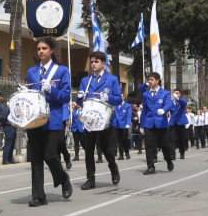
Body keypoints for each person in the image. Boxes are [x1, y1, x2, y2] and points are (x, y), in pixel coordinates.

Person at [23, 38, 73, 206]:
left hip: (53, 118)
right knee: (36, 157)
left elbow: (66, 96)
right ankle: (38, 195)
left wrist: (53, 90)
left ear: (51, 50)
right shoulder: (32, 72)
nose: (41, 51)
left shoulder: (61, 71)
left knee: (50, 155)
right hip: (36, 119)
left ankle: (63, 178)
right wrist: (25, 92)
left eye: (44, 48)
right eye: (38, 48)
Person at [76, 51, 121, 190]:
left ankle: (113, 168)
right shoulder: (86, 80)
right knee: (89, 149)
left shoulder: (111, 79)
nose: (93, 64)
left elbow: (118, 99)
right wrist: (79, 96)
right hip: (89, 120)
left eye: (96, 62)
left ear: (103, 63)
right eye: (92, 62)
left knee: (107, 149)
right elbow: (79, 100)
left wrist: (109, 98)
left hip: (104, 120)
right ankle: (90, 179)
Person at [139, 72, 174, 174]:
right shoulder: (146, 94)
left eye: (151, 79)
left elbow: (169, 103)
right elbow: (144, 110)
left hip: (161, 123)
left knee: (165, 145)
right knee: (149, 145)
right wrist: (142, 125)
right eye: (149, 80)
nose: (149, 82)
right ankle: (150, 167)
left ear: (157, 81)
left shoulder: (165, 93)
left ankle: (168, 160)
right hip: (149, 123)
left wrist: (164, 110)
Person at [169, 89, 188, 159]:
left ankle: (182, 152)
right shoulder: (171, 102)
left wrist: (178, 99)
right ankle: (172, 155)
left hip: (180, 122)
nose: (175, 94)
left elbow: (185, 103)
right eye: (174, 93)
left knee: (181, 139)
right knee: (172, 139)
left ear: (180, 94)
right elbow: (166, 107)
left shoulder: (181, 102)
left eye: (177, 93)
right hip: (173, 122)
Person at [113, 93, 132, 160]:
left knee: (124, 139)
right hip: (117, 125)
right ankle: (121, 155)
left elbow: (129, 115)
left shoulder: (128, 105)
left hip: (124, 125)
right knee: (119, 140)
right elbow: (113, 115)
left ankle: (127, 152)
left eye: (121, 97)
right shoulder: (115, 105)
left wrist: (128, 123)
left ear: (123, 98)